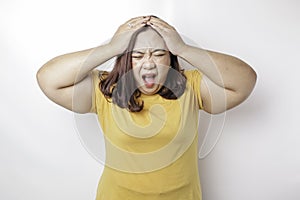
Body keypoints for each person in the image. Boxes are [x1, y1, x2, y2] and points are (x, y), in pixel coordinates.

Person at [37, 15, 256, 200]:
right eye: (138, 55)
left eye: (159, 54)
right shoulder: (105, 89)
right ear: (125, 60)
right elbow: (48, 79)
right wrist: (111, 47)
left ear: (170, 58)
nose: (148, 63)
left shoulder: (191, 86)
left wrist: (183, 48)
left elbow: (244, 81)